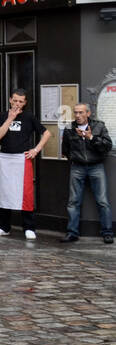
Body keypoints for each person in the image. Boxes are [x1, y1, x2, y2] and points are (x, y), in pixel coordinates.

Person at [0, 88, 49, 240]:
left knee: (26, 193)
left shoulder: (29, 117)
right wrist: (10, 118)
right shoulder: (2, 115)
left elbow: (46, 133)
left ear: (25, 103)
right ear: (10, 100)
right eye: (15, 100)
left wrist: (36, 149)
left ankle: (29, 227)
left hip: (22, 159)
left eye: (20, 101)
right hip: (5, 157)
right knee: (4, 192)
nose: (17, 104)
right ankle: (3, 227)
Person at [61, 102, 113, 244]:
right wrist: (75, 160)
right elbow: (65, 150)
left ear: (88, 113)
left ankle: (107, 232)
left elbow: (107, 146)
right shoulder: (69, 129)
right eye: (76, 112)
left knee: (102, 201)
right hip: (77, 167)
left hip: (96, 166)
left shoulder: (99, 126)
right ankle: (72, 233)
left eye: (81, 112)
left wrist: (91, 138)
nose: (78, 115)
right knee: (73, 201)